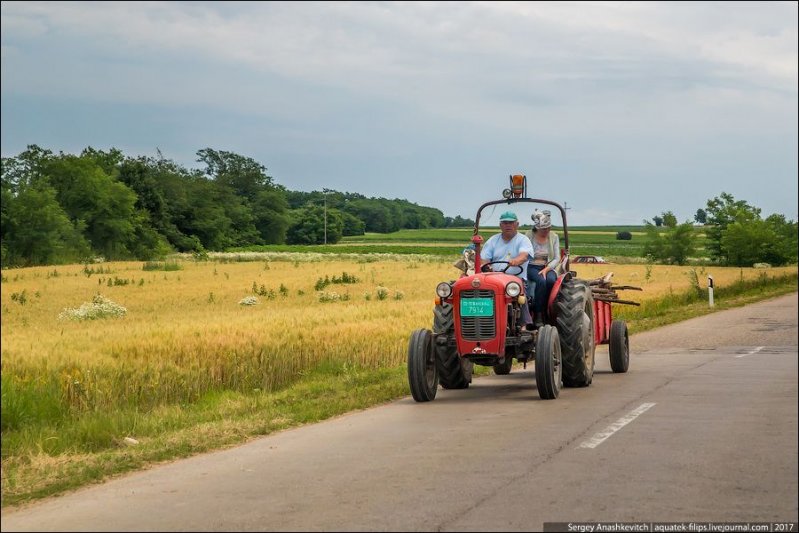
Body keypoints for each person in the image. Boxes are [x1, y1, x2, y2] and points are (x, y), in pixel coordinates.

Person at [480, 211, 534, 327]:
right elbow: (484, 259)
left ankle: (524, 324)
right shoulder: (493, 240)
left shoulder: (523, 240)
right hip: (494, 278)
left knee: (518, 291)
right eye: (505, 223)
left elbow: (524, 255)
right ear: (500, 225)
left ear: (517, 224)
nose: (508, 225)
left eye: (511, 222)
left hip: (515, 278)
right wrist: (487, 266)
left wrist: (516, 261)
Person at [525, 209, 561, 328]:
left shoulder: (554, 237)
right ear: (537, 228)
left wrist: (547, 269)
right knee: (541, 281)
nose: (547, 231)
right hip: (531, 266)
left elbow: (556, 258)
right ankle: (539, 314)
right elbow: (524, 253)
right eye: (544, 229)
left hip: (548, 266)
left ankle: (549, 309)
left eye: (548, 228)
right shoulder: (528, 235)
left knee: (551, 281)